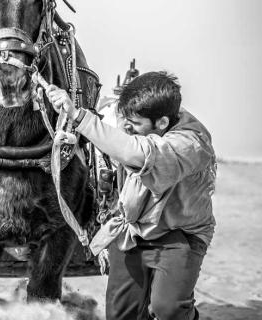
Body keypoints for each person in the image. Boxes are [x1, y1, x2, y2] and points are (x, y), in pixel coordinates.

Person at [46, 71, 216, 320]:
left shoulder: (189, 144)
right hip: (132, 231)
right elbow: (105, 115)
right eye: (125, 119)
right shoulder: (135, 120)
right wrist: (66, 106)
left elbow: (136, 152)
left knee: (168, 309)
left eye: (134, 124)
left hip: (179, 235)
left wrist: (80, 117)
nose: (126, 127)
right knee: (121, 314)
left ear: (162, 123)